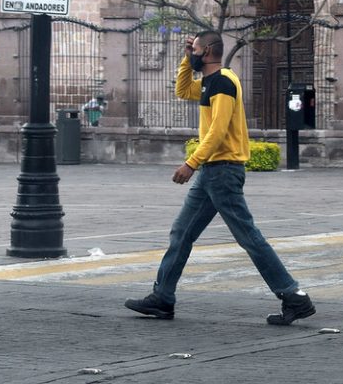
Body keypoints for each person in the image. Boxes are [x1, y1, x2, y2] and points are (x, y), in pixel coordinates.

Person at [124, 31, 315, 325]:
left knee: (248, 237)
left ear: (210, 51)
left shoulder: (224, 82)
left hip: (222, 170)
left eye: (196, 49)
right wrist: (187, 59)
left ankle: (293, 296)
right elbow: (182, 89)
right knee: (181, 233)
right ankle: (162, 298)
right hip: (212, 172)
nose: (193, 52)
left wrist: (191, 163)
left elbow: (218, 130)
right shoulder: (209, 83)